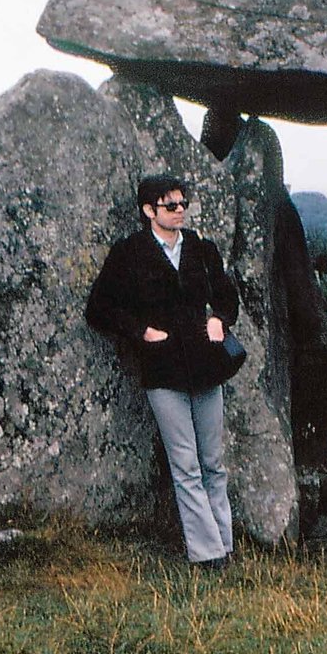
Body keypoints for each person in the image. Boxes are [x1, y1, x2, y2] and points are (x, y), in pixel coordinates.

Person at [86, 174, 240, 569]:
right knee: (185, 463)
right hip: (163, 370)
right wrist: (141, 332)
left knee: (213, 462)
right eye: (170, 205)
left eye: (182, 204)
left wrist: (220, 319)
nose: (179, 211)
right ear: (148, 210)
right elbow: (100, 308)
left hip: (206, 366)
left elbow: (226, 295)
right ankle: (208, 555)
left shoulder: (203, 251)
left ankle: (226, 545)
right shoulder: (130, 253)